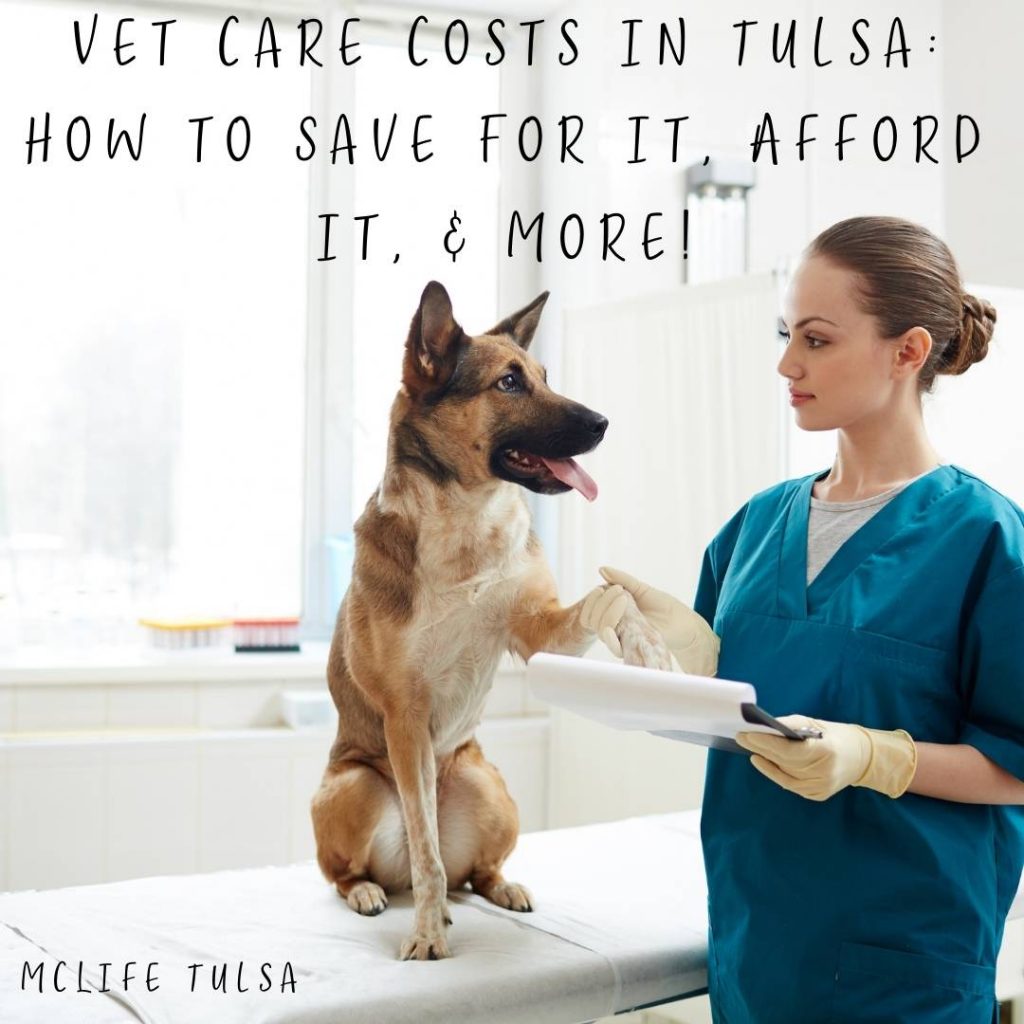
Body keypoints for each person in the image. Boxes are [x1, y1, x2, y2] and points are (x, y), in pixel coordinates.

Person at [582, 215, 1024, 1023]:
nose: (787, 364)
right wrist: (691, 670)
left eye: (816, 340)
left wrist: (875, 758)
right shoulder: (756, 527)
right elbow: (744, 718)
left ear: (908, 351)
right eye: (787, 335)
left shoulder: (985, 539)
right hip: (758, 950)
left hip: (905, 974)